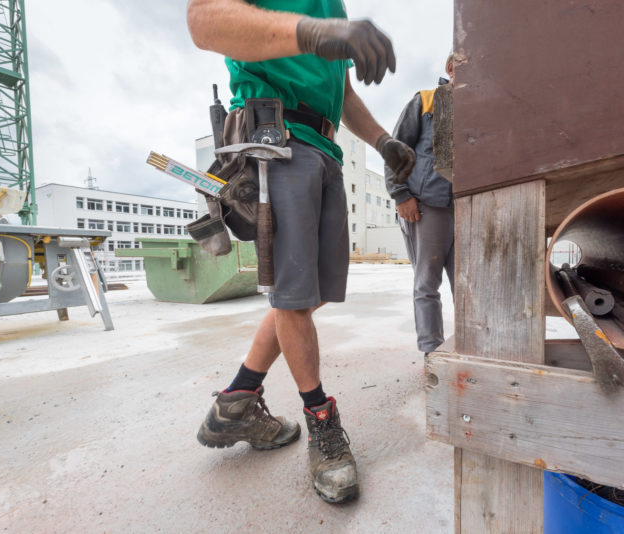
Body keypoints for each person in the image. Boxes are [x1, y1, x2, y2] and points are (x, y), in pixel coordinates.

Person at [186, 0, 415, 504]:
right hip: (277, 139)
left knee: (307, 295)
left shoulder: (332, 5)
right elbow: (203, 21)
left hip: (324, 150)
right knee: (293, 297)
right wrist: (315, 32)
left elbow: (344, 90)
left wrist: (382, 142)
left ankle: (236, 402)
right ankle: (322, 422)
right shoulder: (318, 18)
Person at [385, 55, 455, 357]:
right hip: (427, 205)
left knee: (468, 284)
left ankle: (473, 346)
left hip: (468, 207)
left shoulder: (484, 107)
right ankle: (432, 352)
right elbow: (396, 149)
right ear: (451, 68)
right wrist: (401, 194)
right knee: (427, 282)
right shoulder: (426, 101)